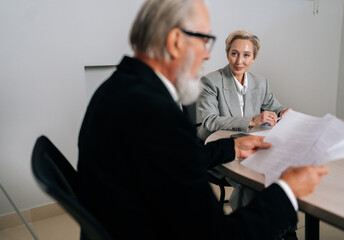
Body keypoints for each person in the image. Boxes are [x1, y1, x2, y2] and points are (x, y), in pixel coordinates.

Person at [77, 0, 329, 239]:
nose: (207, 56)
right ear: (176, 41)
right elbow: (218, 235)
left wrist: (229, 147)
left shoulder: (115, 89)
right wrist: (287, 192)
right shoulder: (156, 114)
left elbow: (171, 160)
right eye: (205, 41)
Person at [196, 29, 291, 142]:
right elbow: (210, 121)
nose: (239, 61)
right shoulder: (210, 82)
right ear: (227, 54)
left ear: (253, 58)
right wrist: (251, 121)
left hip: (247, 140)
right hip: (215, 142)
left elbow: (274, 107)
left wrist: (282, 112)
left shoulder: (260, 82)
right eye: (234, 54)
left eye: (246, 55)